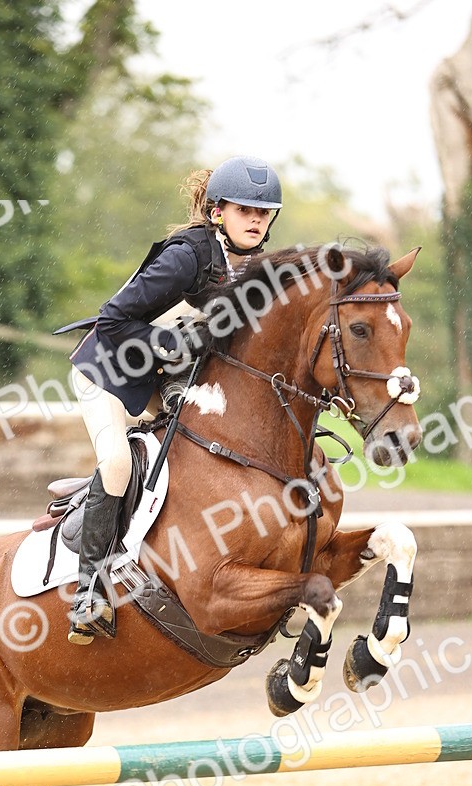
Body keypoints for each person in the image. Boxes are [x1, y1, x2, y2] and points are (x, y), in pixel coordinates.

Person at [66, 155, 283, 645]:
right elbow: (112, 319)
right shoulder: (187, 256)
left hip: (169, 381)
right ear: (216, 211)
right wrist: (167, 344)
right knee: (119, 462)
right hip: (109, 373)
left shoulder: (255, 269)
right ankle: (89, 589)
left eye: (263, 212)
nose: (254, 219)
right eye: (243, 209)